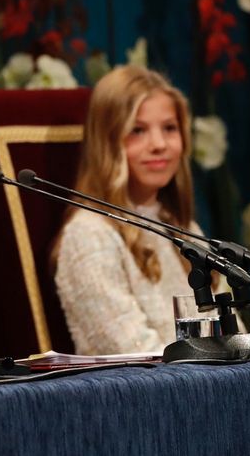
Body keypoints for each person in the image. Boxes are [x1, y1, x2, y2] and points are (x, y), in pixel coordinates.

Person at [53, 65, 202, 355]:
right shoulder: (89, 235)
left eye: (169, 128)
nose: (159, 144)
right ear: (107, 142)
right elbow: (132, 353)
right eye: (138, 130)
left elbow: (233, 340)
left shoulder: (183, 229)